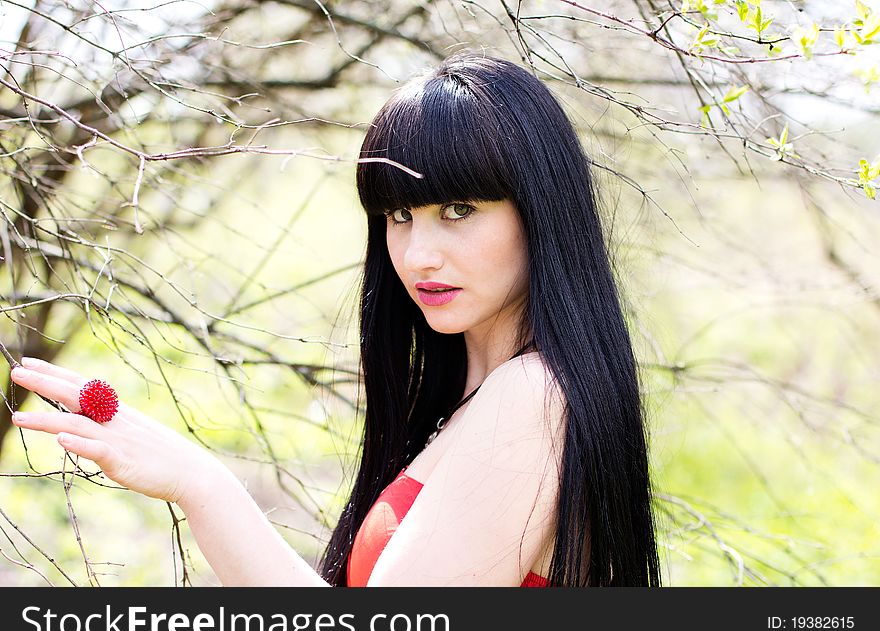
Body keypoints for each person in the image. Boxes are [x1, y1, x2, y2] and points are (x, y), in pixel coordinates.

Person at [8, 51, 663, 587]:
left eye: (458, 209)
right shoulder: (472, 401)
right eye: (399, 216)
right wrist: (194, 481)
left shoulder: (531, 398)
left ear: (539, 208)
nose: (417, 253)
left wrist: (205, 485)